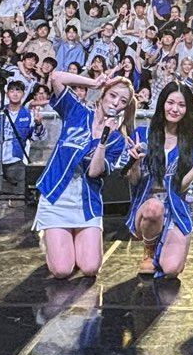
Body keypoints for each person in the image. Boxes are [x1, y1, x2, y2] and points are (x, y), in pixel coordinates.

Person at [33, 70, 137, 281]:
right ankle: (50, 236)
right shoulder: (77, 112)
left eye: (122, 101)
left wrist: (103, 141)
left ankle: (66, 241)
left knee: (90, 268)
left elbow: (94, 172)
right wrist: (94, 82)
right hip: (56, 196)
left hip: (86, 204)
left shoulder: (117, 141)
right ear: (103, 95)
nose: (116, 103)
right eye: (113, 95)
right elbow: (55, 77)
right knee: (62, 271)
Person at [130, 81, 193, 278]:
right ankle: (149, 248)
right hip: (148, 206)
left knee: (171, 270)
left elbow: (182, 187)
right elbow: (133, 181)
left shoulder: (192, 142)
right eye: (170, 102)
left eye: (181, 105)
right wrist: (134, 163)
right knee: (154, 207)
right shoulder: (142, 135)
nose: (175, 109)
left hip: (176, 205)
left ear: (187, 109)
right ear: (162, 103)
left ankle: (169, 243)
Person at [0, 77, 37, 197]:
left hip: (14, 159)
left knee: (22, 191)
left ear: (23, 94)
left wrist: (39, 124)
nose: (15, 94)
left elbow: (38, 137)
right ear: (7, 94)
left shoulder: (29, 115)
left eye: (18, 91)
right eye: (12, 91)